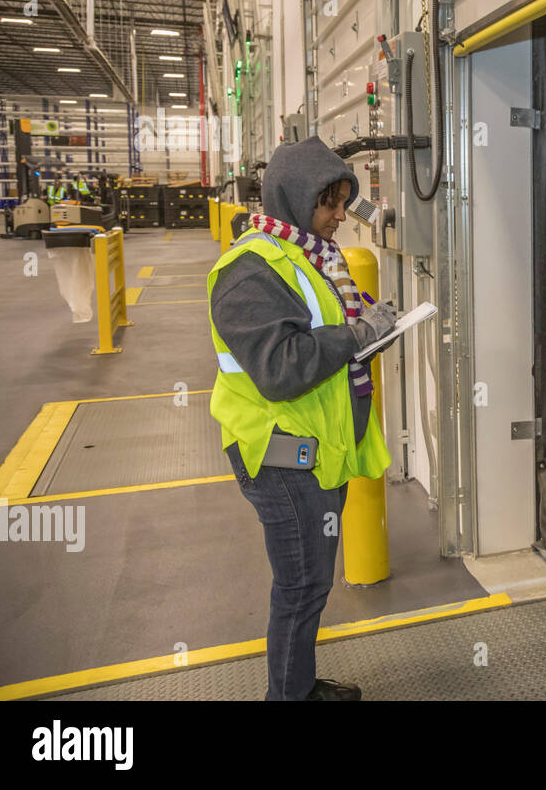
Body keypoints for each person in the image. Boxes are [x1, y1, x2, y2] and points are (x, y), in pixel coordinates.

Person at [207, 136, 401, 701]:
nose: (340, 217)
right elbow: (281, 367)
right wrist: (355, 336)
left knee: (309, 585)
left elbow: (327, 337)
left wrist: (371, 330)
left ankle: (300, 686)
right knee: (301, 587)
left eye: (344, 203)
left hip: (316, 450)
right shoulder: (248, 271)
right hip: (279, 457)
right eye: (329, 204)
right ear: (293, 198)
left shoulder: (309, 255)